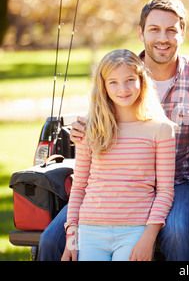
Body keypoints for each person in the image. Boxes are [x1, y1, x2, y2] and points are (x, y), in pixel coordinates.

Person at [39, 0, 189, 261]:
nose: (162, 38)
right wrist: (84, 126)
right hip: (118, 184)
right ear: (141, 32)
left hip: (179, 179)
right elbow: (104, 104)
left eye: (171, 30)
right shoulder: (127, 72)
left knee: (177, 232)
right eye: (154, 29)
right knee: (51, 239)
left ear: (183, 33)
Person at [61, 49, 176, 261]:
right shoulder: (90, 127)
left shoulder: (161, 130)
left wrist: (148, 238)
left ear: (141, 80)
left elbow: (165, 191)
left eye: (130, 80)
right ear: (103, 86)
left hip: (134, 231)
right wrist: (71, 240)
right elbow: (79, 187)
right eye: (113, 82)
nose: (122, 89)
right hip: (90, 230)